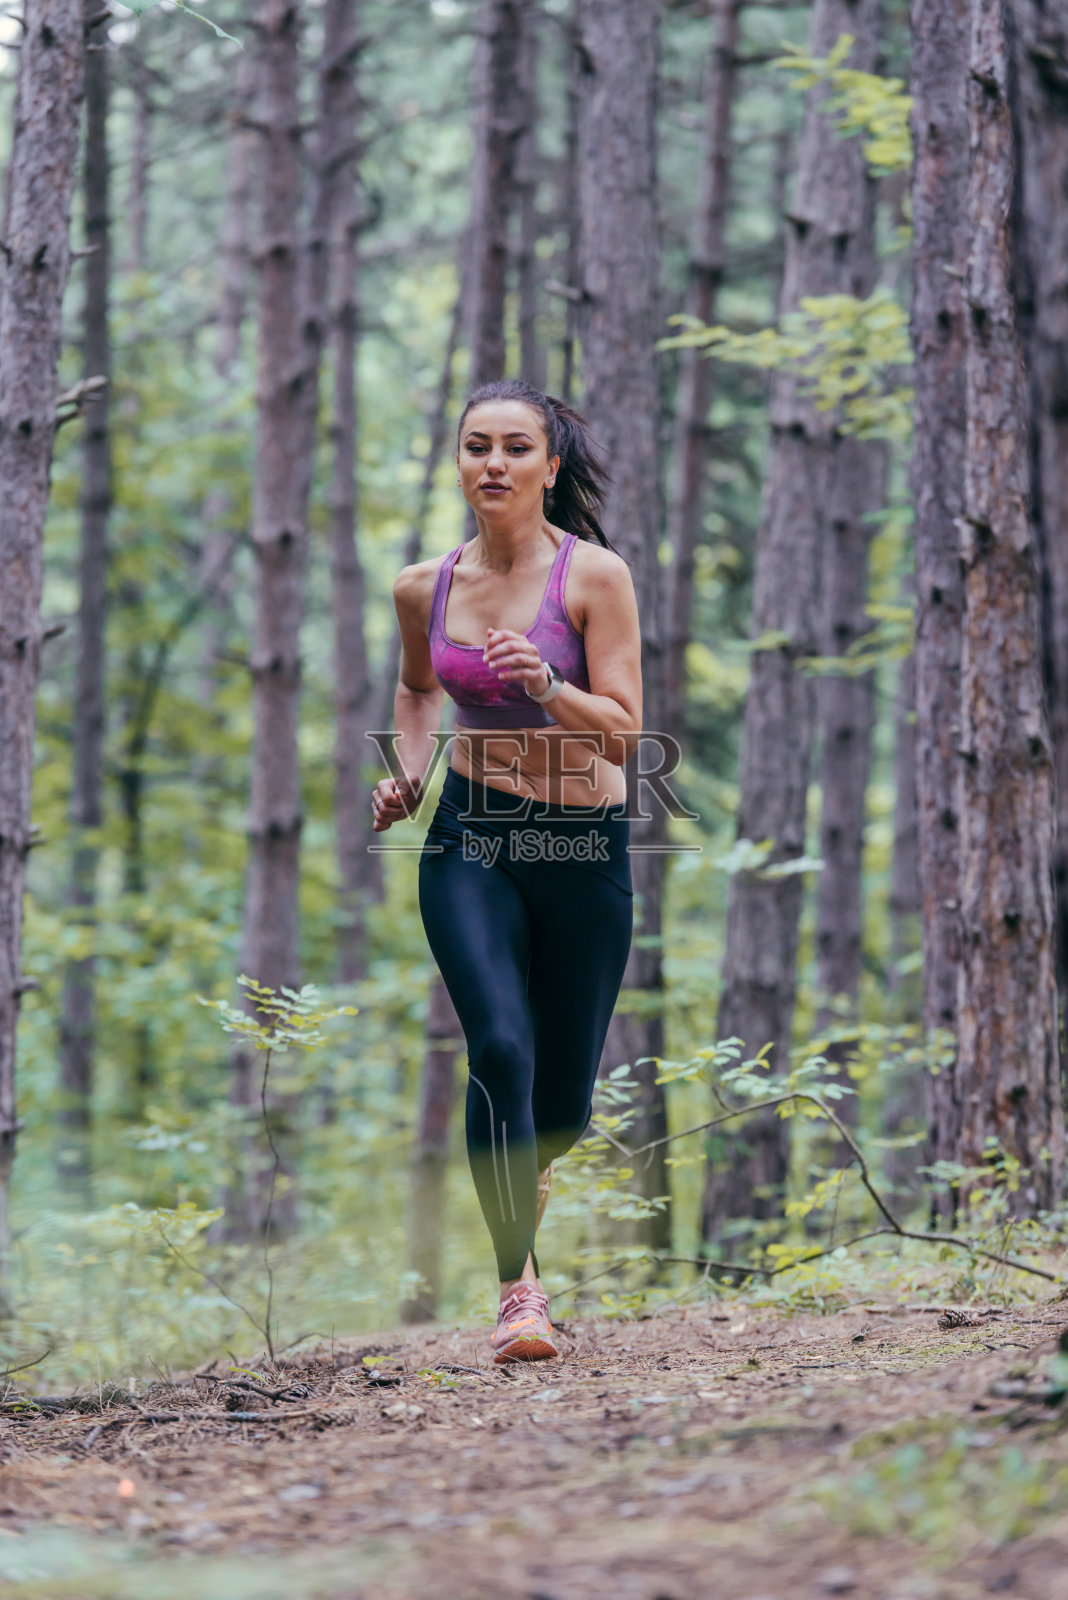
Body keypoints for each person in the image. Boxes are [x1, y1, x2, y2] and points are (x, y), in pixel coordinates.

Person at [371, 378, 642, 1363]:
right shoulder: (422, 586)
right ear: (459, 461)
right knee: (497, 1047)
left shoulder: (594, 578)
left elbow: (624, 734)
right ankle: (519, 1291)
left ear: (549, 466)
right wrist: (407, 771)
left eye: (516, 448)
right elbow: (413, 690)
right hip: (473, 839)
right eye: (477, 445)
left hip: (581, 847)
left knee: (558, 1110)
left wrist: (549, 684)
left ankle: (529, 1166)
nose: (494, 463)